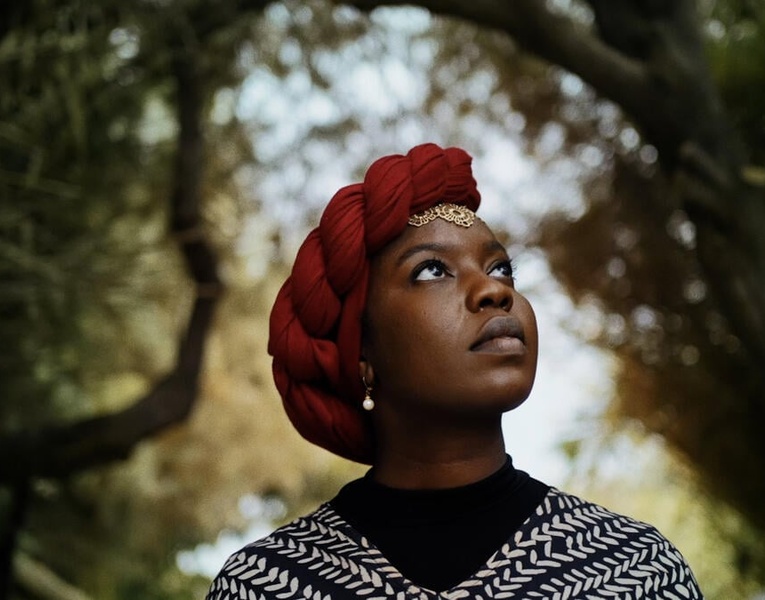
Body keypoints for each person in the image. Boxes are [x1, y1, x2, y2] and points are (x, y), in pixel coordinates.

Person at [206, 143, 702, 599]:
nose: (494, 290)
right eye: (432, 270)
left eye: (501, 267)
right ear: (361, 354)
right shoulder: (265, 586)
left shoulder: (635, 569)